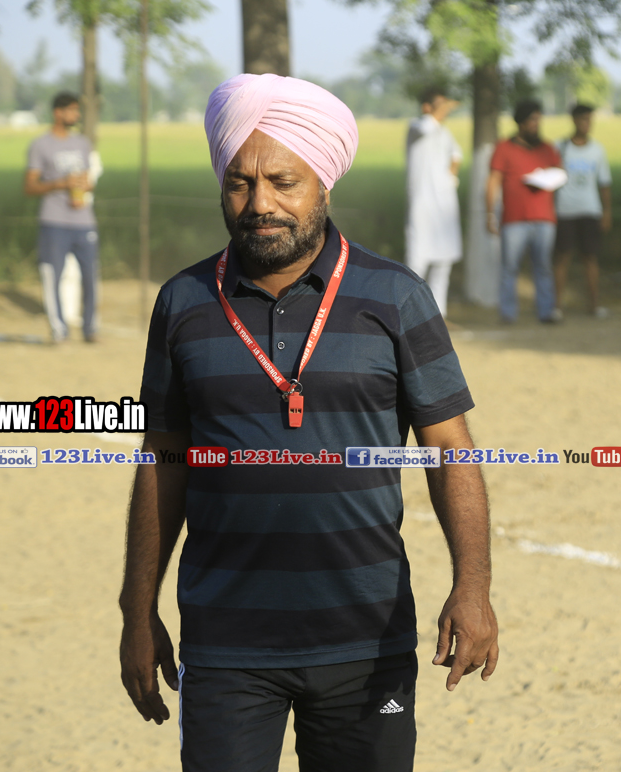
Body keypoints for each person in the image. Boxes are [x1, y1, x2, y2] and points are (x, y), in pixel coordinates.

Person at [119, 74, 498, 772]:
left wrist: (472, 588)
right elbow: (161, 462)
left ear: (324, 183)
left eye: (283, 182)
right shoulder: (182, 302)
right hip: (225, 644)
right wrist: (136, 611)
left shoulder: (396, 296)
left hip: (368, 640)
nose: (260, 203)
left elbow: (451, 450)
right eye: (239, 183)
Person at [23, 91, 99, 343]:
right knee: (52, 277)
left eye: (77, 110)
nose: (76, 115)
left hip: (84, 221)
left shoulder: (83, 143)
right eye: (72, 110)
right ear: (58, 113)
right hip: (54, 221)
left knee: (90, 276)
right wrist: (59, 184)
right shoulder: (41, 145)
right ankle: (58, 329)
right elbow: (30, 186)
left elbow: (87, 179)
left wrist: (83, 188)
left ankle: (90, 329)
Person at [486, 99, 564, 323]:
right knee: (509, 268)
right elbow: (493, 181)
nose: (536, 124)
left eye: (538, 120)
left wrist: (546, 178)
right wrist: (490, 213)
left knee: (543, 267)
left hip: (544, 218)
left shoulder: (547, 149)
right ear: (520, 122)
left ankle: (546, 311)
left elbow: (560, 174)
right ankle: (508, 313)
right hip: (514, 219)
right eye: (532, 120)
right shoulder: (504, 148)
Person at [405, 86, 463, 318]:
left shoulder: (444, 132)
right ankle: (409, 316)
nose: (445, 110)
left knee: (443, 263)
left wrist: (450, 175)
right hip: (422, 207)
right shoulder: (416, 127)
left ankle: (438, 317)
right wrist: (441, 110)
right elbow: (427, 126)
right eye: (439, 105)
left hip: (445, 207)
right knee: (417, 263)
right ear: (426, 107)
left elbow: (456, 154)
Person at [554, 103, 612, 318]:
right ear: (574, 121)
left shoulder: (598, 150)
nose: (587, 124)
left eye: (589, 120)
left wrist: (606, 212)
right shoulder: (560, 147)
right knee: (562, 258)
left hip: (590, 210)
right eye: (583, 119)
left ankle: (594, 305)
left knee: (591, 258)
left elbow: (604, 183)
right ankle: (557, 306)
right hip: (564, 210)